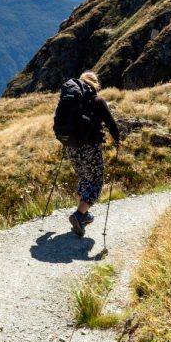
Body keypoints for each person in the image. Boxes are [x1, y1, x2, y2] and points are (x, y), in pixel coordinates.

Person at [66, 71, 121, 237]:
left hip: (71, 147)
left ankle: (83, 214)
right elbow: (111, 123)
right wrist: (118, 140)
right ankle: (79, 215)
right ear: (96, 84)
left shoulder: (71, 100)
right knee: (96, 181)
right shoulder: (97, 100)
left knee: (84, 178)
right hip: (91, 147)